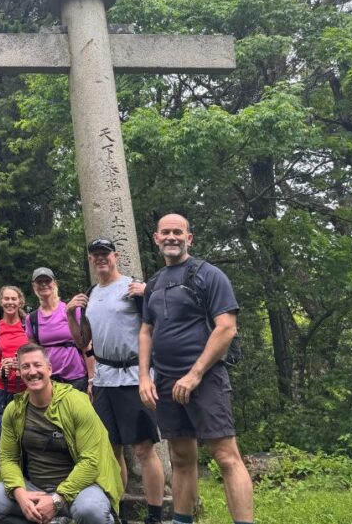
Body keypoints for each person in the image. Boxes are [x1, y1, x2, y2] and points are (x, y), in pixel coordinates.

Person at [138, 214, 253, 524]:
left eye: (178, 232)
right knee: (180, 456)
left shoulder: (209, 275)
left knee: (226, 456)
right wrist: (144, 376)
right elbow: (146, 331)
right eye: (166, 232)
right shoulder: (154, 283)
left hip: (206, 378)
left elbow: (226, 328)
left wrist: (196, 373)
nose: (172, 237)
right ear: (156, 238)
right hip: (165, 380)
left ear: (189, 238)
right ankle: (181, 520)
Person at [67, 238, 165, 524]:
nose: (101, 259)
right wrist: (69, 313)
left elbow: (159, 326)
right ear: (90, 260)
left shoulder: (133, 287)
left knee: (144, 448)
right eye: (95, 255)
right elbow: (83, 341)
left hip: (135, 375)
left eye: (105, 254)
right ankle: (116, 511)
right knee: (111, 450)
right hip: (104, 379)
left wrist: (148, 295)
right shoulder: (91, 293)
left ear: (115, 256)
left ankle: (154, 515)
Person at [0, 343, 123, 524]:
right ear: (20, 373)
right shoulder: (14, 410)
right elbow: (8, 458)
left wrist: (56, 499)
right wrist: (19, 493)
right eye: (25, 366)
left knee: (90, 511)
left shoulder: (76, 403)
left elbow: (91, 461)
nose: (32, 371)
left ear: (49, 369)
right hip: (35, 489)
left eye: (37, 365)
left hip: (80, 489)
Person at [26, 267, 91, 392]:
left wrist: (92, 380)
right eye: (40, 282)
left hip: (76, 378)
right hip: (48, 380)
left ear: (55, 284)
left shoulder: (71, 310)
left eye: (47, 281)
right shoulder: (32, 319)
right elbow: (33, 353)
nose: (44, 284)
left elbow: (86, 346)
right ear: (34, 286)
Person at [0, 286, 30, 439]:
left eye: (14, 299)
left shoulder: (28, 326)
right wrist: (0, 372)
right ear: (1, 301)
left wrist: (22, 365)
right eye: (6, 299)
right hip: (0, 390)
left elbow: (39, 355)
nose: (10, 302)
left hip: (26, 389)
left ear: (20, 302)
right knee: (3, 437)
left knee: (27, 435)